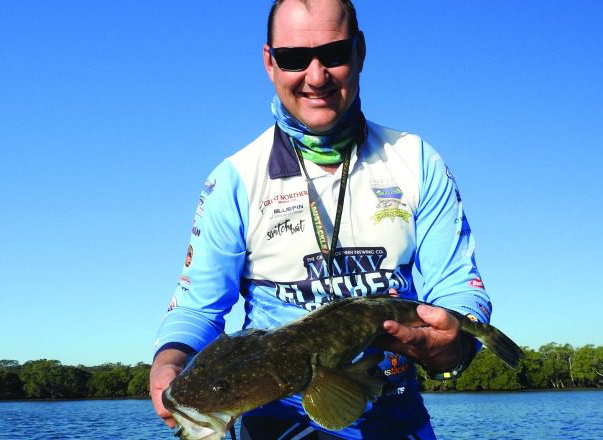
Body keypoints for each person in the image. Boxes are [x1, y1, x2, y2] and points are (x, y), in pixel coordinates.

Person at [150, 0, 492, 438]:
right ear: (269, 62)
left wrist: (452, 345)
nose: (316, 77)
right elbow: (198, 306)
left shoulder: (416, 159)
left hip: (396, 418)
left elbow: (458, 287)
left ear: (360, 52)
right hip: (279, 421)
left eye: (333, 54)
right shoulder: (234, 179)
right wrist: (168, 362)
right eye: (294, 58)